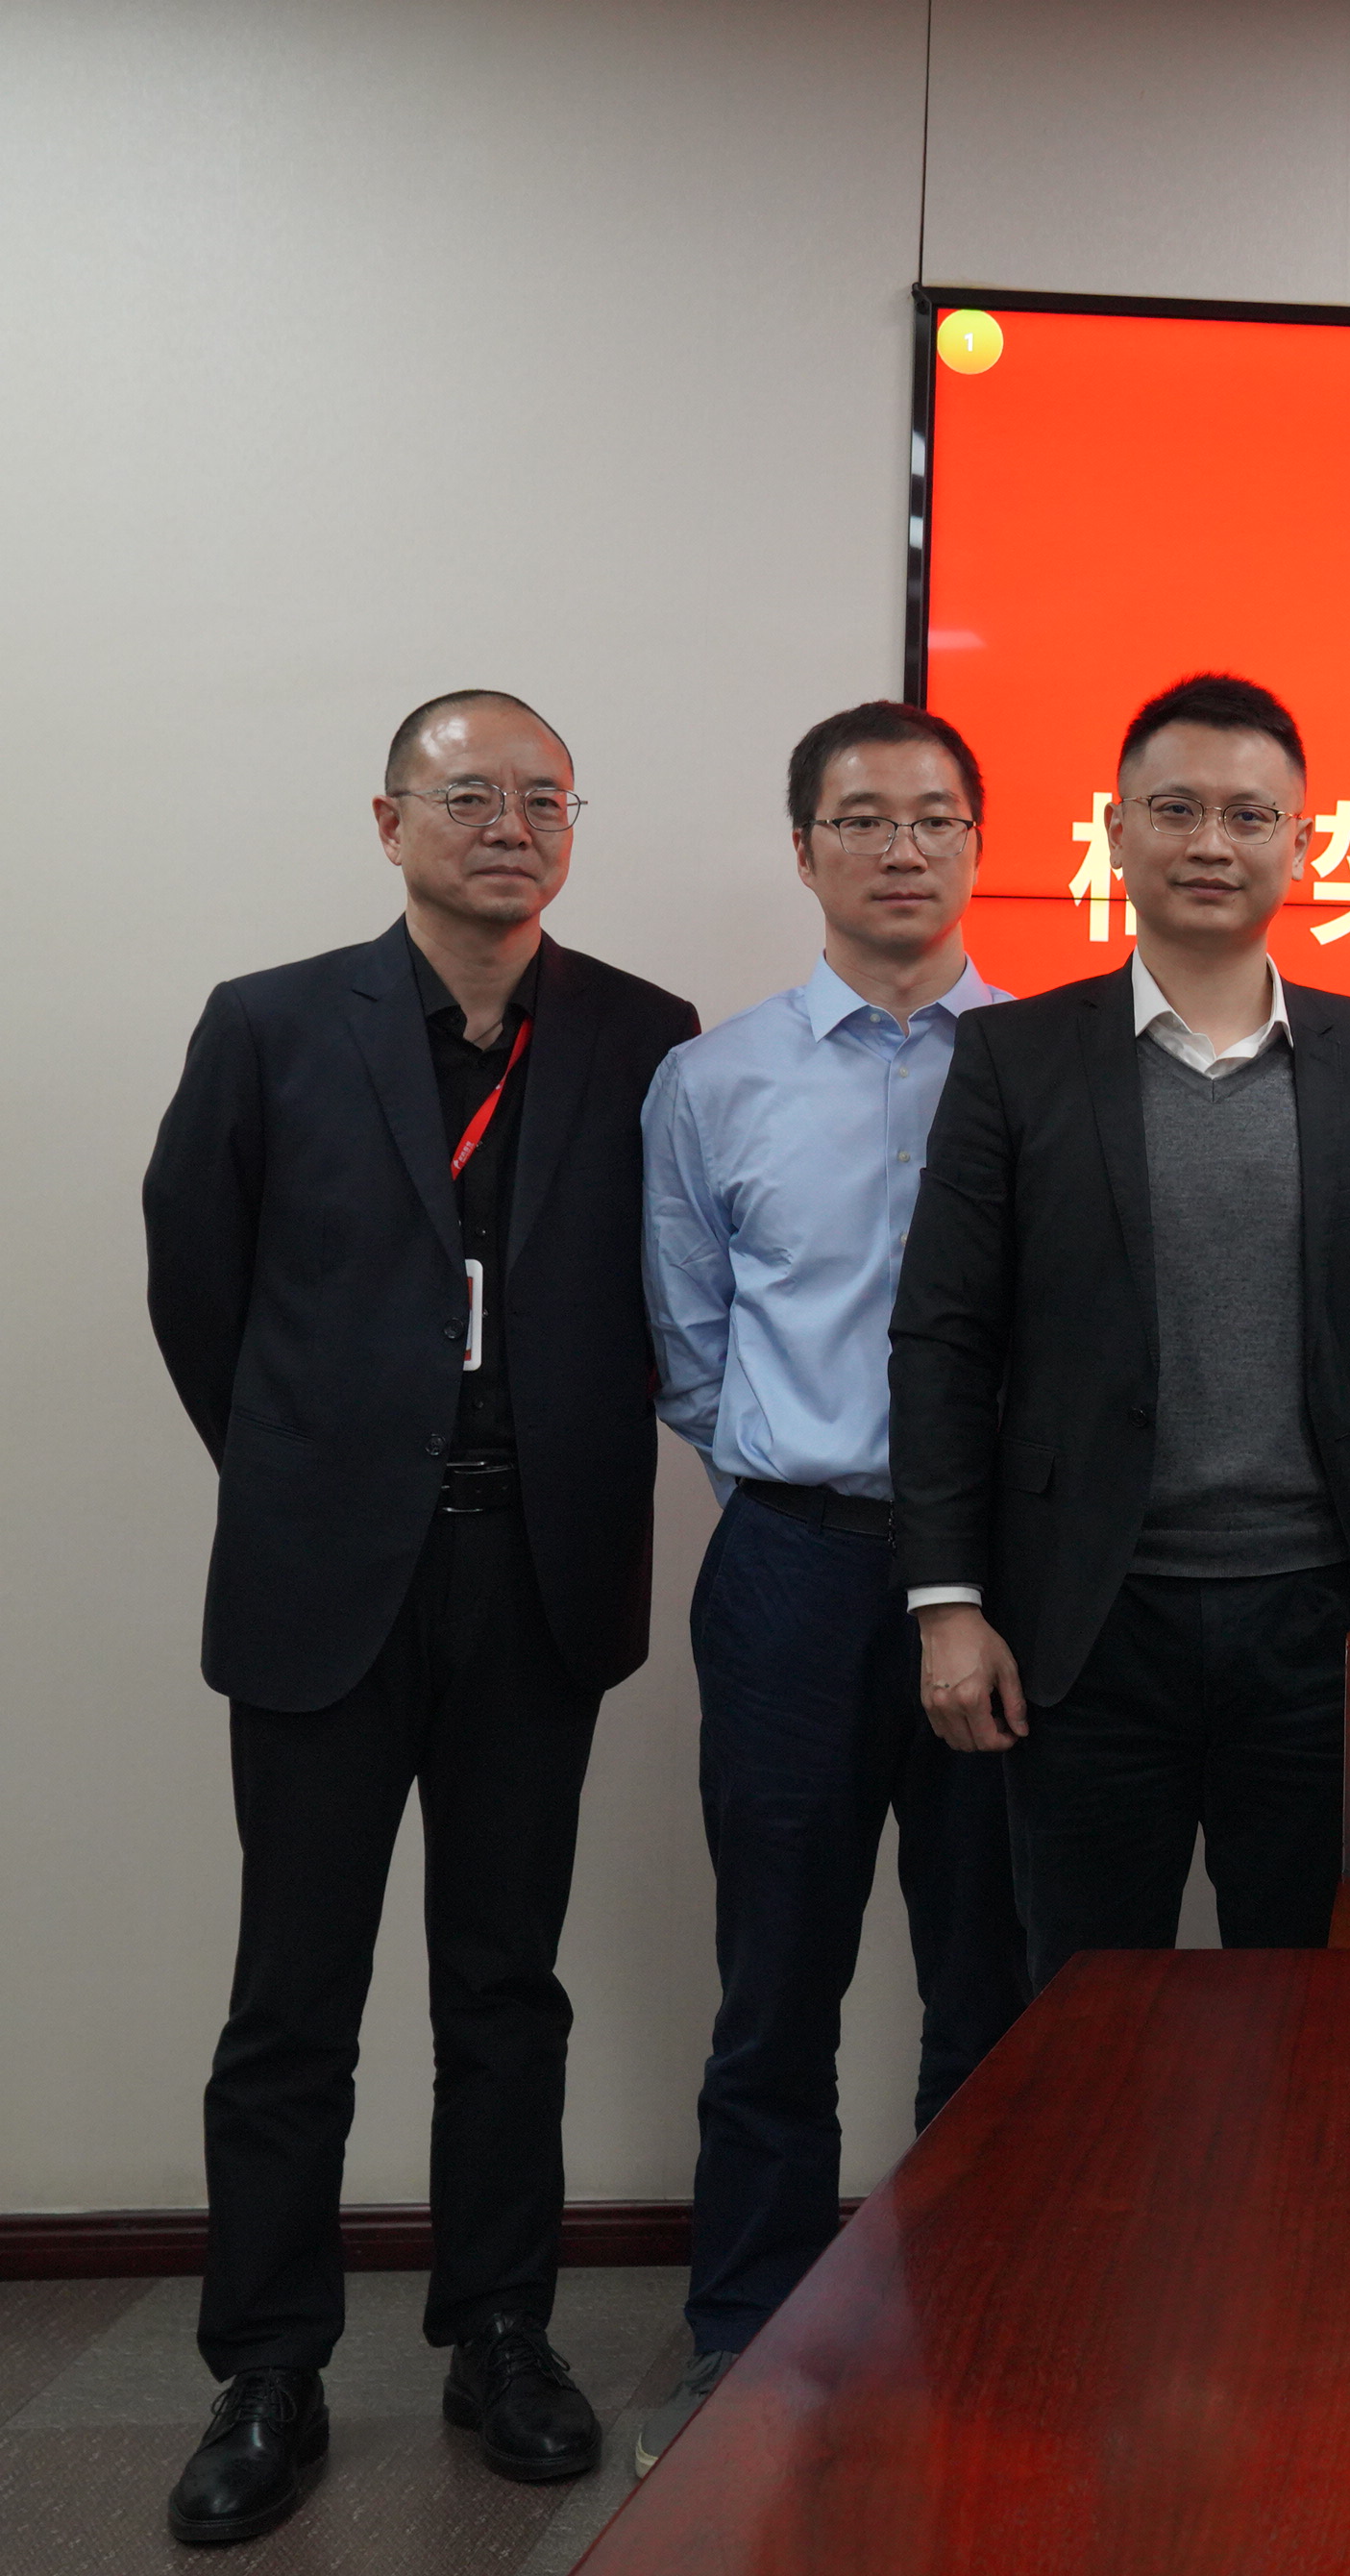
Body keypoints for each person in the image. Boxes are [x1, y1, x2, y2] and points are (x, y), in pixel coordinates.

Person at [140, 691, 697, 2545]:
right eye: (470, 794)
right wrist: (316, 1469)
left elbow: (665, 1287)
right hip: (325, 1580)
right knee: (290, 1996)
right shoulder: (272, 1024)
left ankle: (502, 2330)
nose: (510, 822)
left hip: (534, 1575)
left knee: (503, 1985)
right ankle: (267, 2364)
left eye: (544, 796)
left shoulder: (640, 1035)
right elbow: (198, 1284)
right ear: (389, 821)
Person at [890, 672, 1350, 1984]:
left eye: (1250, 815)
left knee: (1312, 2003)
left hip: (1321, 1622)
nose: (1211, 843)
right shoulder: (1015, 1059)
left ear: (1305, 844)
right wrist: (947, 1603)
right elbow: (945, 1341)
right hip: (1086, 1621)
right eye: (1176, 809)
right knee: (1086, 2004)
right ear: (1116, 832)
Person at [629, 704, 1028, 2474]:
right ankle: (748, 2332)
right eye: (861, 819)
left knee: (991, 1971)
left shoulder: (1046, 1064)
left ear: (979, 845)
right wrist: (799, 1484)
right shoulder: (710, 1082)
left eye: (934, 817)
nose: (901, 848)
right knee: (775, 1969)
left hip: (1001, 1584)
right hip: (793, 1567)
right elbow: (690, 1345)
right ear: (803, 850)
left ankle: (978, 2315)